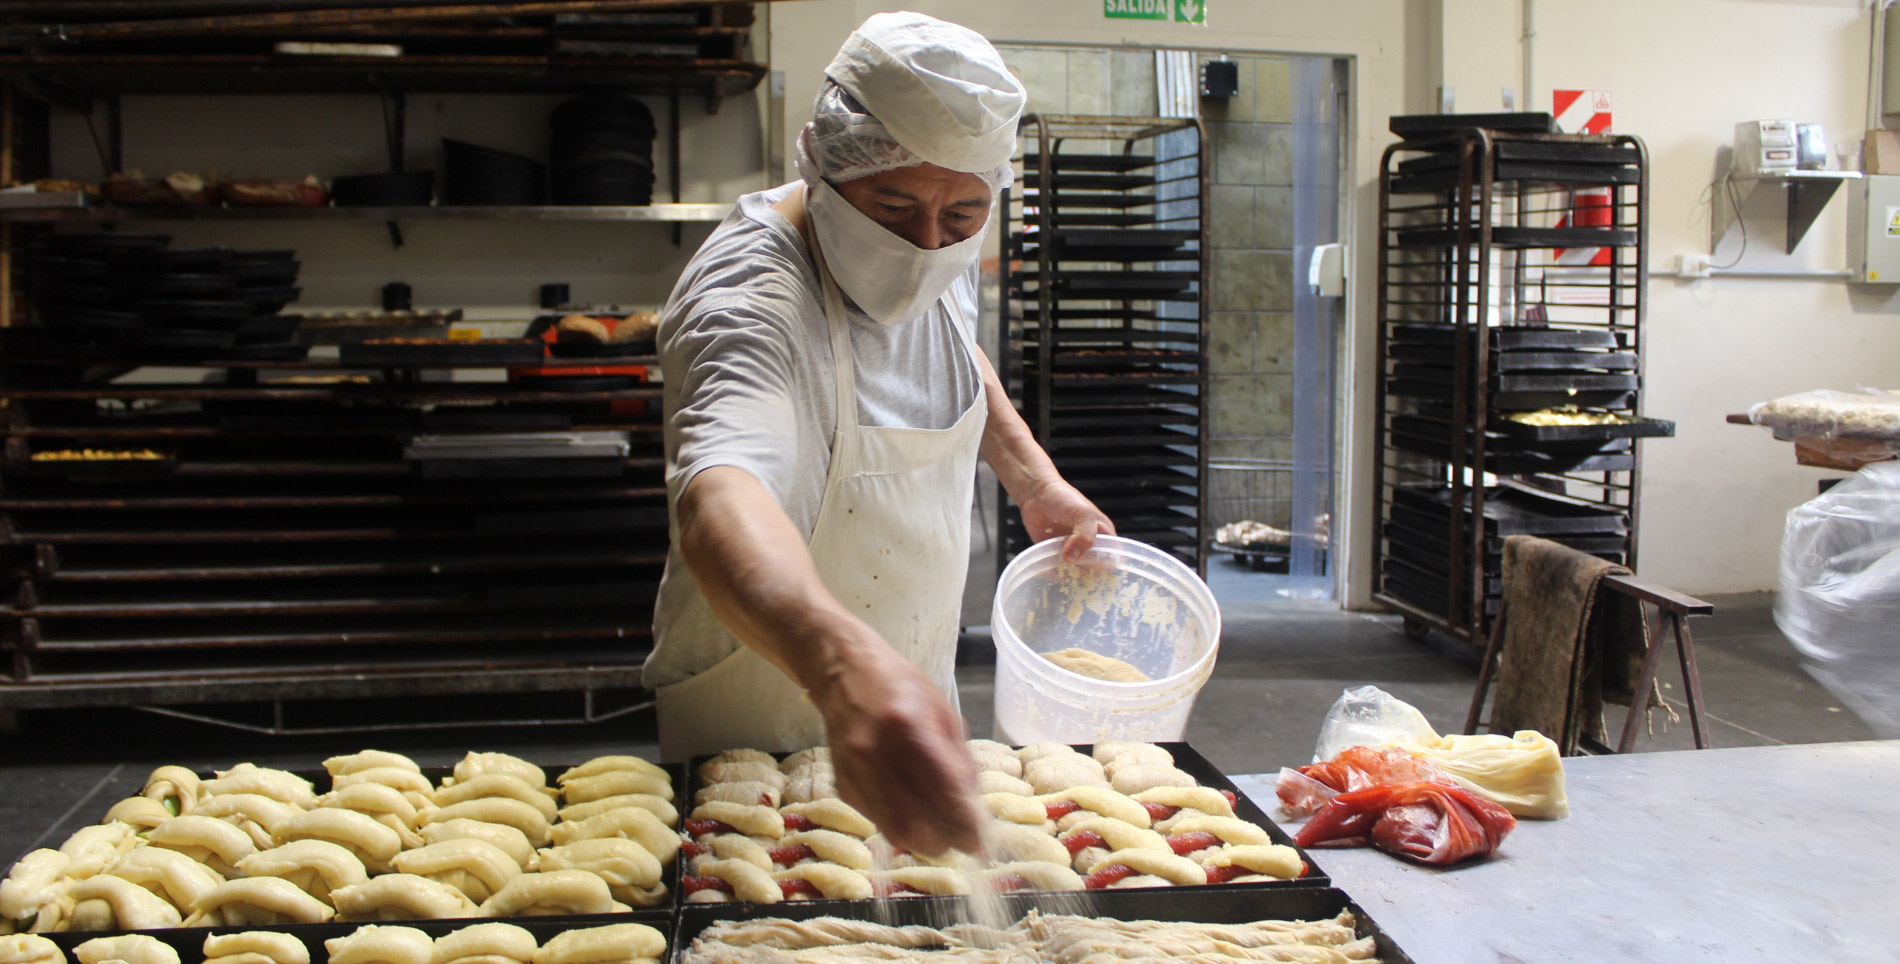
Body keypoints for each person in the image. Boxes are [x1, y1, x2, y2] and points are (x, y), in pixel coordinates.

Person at [643, 12, 1113, 857]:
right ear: (822, 166)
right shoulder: (750, 298)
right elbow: (721, 494)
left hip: (907, 690)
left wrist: (1032, 477)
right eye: (894, 209)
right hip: (765, 714)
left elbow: (954, 350)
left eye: (964, 217)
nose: (927, 247)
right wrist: (842, 670)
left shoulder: (933, 255)